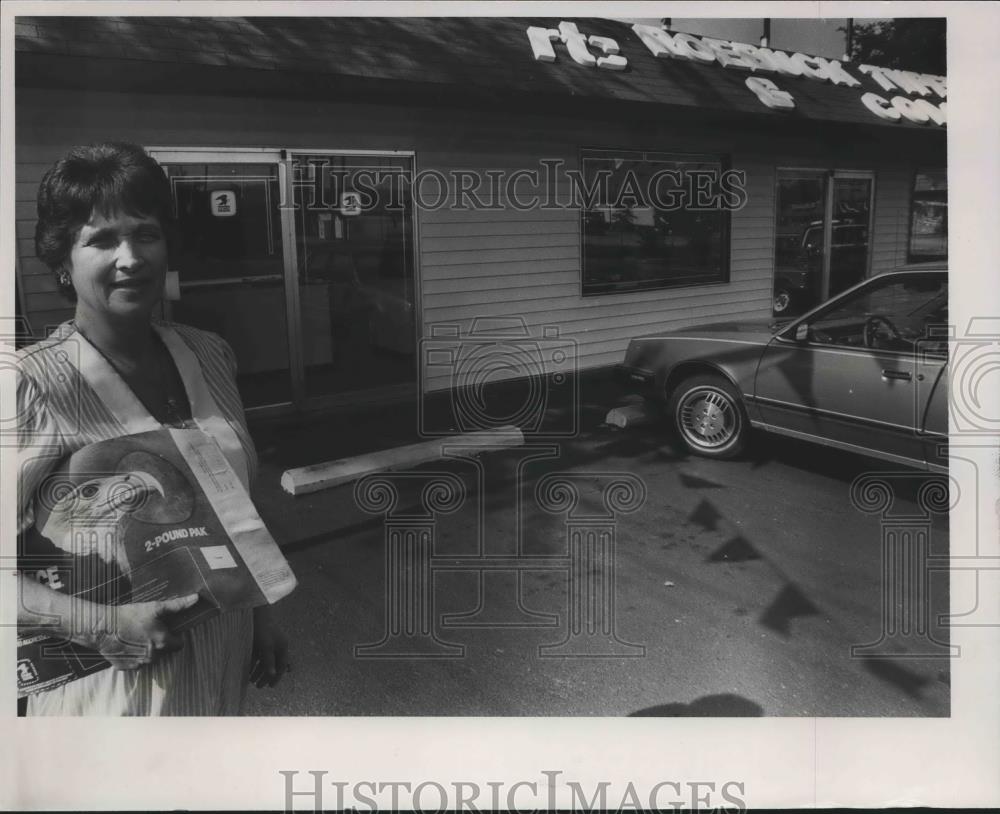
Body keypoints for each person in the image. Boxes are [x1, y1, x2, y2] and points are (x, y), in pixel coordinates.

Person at [16, 142, 290, 715]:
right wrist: (103, 626)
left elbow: (237, 504)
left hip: (220, 661)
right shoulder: (30, 385)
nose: (131, 257)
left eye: (145, 233)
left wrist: (261, 611)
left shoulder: (209, 353)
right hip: (110, 685)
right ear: (63, 259)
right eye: (101, 239)